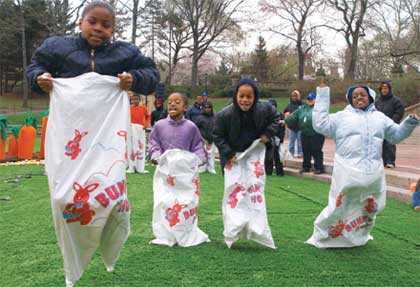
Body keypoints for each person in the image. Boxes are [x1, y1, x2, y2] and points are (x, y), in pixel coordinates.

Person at [306, 83, 419, 248]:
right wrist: (322, 95)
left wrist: (408, 124)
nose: (359, 97)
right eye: (355, 96)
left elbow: (395, 136)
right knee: (339, 205)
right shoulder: (341, 117)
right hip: (347, 171)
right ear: (350, 100)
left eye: (363, 94)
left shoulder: (380, 118)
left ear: (371, 97)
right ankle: (325, 235)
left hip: (372, 173)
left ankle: (359, 234)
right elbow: (320, 124)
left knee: (370, 207)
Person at [26, 0, 160, 96]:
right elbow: (35, 67)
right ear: (80, 23)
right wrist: (40, 78)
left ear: (112, 31)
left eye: (106, 25)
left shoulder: (126, 53)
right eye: (92, 22)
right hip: (68, 122)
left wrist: (133, 79)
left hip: (109, 126)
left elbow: (152, 74)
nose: (98, 28)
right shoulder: (56, 46)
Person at [213, 78, 280, 173]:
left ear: (255, 97)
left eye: (249, 97)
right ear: (235, 96)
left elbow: (276, 118)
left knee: (255, 186)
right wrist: (228, 153)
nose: (245, 100)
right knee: (235, 187)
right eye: (241, 96)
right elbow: (217, 135)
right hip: (233, 157)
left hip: (255, 155)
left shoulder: (265, 109)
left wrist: (268, 133)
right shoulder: (224, 115)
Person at [149, 93, 206, 164]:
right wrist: (156, 156)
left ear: (185, 107)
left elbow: (198, 145)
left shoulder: (191, 127)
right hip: (165, 168)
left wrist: (199, 158)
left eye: (177, 102)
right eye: (169, 103)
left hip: (185, 168)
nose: (172, 104)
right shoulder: (159, 125)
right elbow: (154, 142)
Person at [280, 92, 325, 174]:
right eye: (308, 99)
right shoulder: (302, 108)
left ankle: (319, 168)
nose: (310, 101)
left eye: (312, 99)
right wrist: (285, 120)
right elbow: (293, 115)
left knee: (316, 150)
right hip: (304, 132)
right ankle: (306, 167)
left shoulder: (319, 109)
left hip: (316, 133)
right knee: (306, 150)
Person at [375, 81, 405, 168]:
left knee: (390, 143)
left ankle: (390, 161)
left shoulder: (396, 100)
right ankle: (383, 161)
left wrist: (393, 121)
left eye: (385, 88)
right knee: (381, 144)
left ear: (389, 89)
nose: (384, 91)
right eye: (382, 89)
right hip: (380, 126)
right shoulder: (377, 102)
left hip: (391, 125)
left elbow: (399, 112)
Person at [195, 101, 217, 174]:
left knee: (211, 154)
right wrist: (203, 139)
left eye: (209, 108)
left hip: (213, 139)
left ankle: (211, 168)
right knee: (203, 154)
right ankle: (202, 168)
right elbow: (196, 129)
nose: (207, 109)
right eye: (206, 108)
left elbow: (218, 128)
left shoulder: (215, 117)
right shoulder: (199, 118)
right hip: (202, 139)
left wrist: (214, 138)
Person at [265, 99, 285, 176]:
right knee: (269, 156)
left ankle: (279, 172)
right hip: (269, 137)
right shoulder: (267, 115)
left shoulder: (280, 115)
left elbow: (282, 129)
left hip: (277, 138)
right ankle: (268, 171)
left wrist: (280, 139)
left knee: (277, 156)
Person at [284, 90, 303, 157]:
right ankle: (291, 153)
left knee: (300, 141)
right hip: (291, 126)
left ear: (298, 96)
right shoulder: (289, 105)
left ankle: (300, 153)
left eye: (295, 96)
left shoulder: (302, 105)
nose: (294, 97)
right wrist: (286, 115)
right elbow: (285, 112)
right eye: (293, 96)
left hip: (300, 126)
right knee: (291, 141)